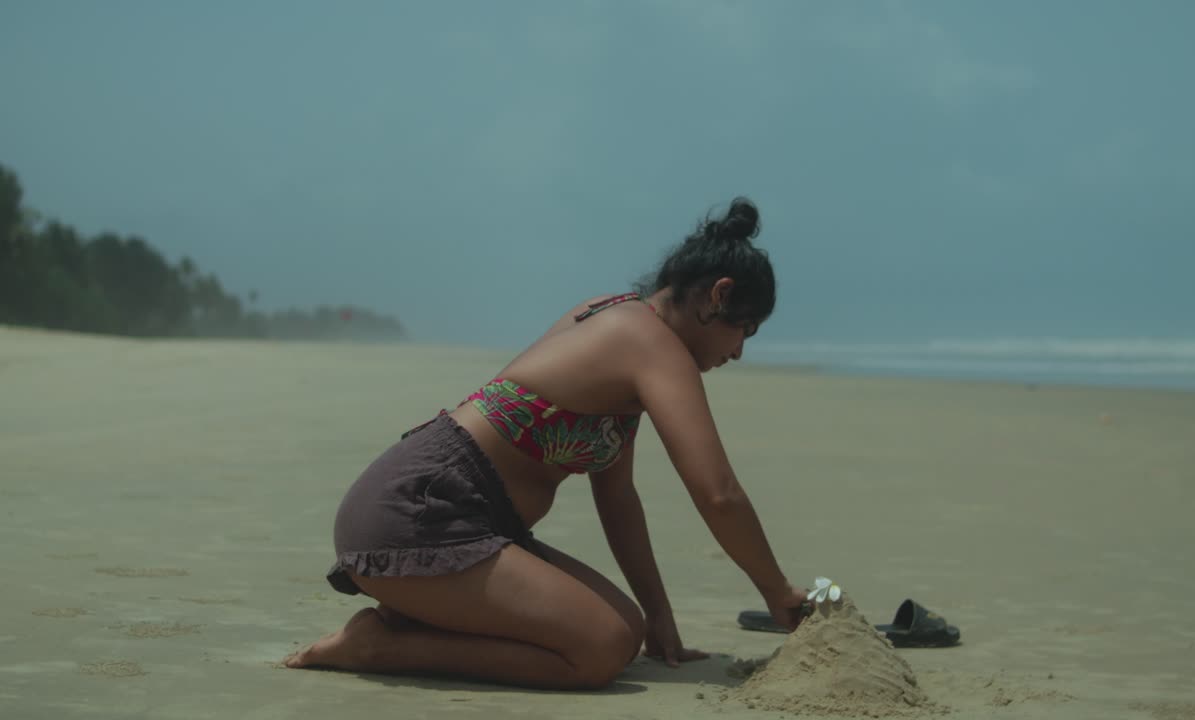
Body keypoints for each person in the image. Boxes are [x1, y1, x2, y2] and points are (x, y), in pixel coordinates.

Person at [285, 197, 809, 689]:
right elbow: (718, 493)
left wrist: (658, 616)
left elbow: (618, 496)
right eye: (747, 330)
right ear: (718, 296)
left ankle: (418, 618)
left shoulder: (621, 321)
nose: (739, 351)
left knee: (624, 627)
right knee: (599, 649)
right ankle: (375, 647)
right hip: (418, 514)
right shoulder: (649, 344)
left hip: (466, 523)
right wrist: (777, 592)